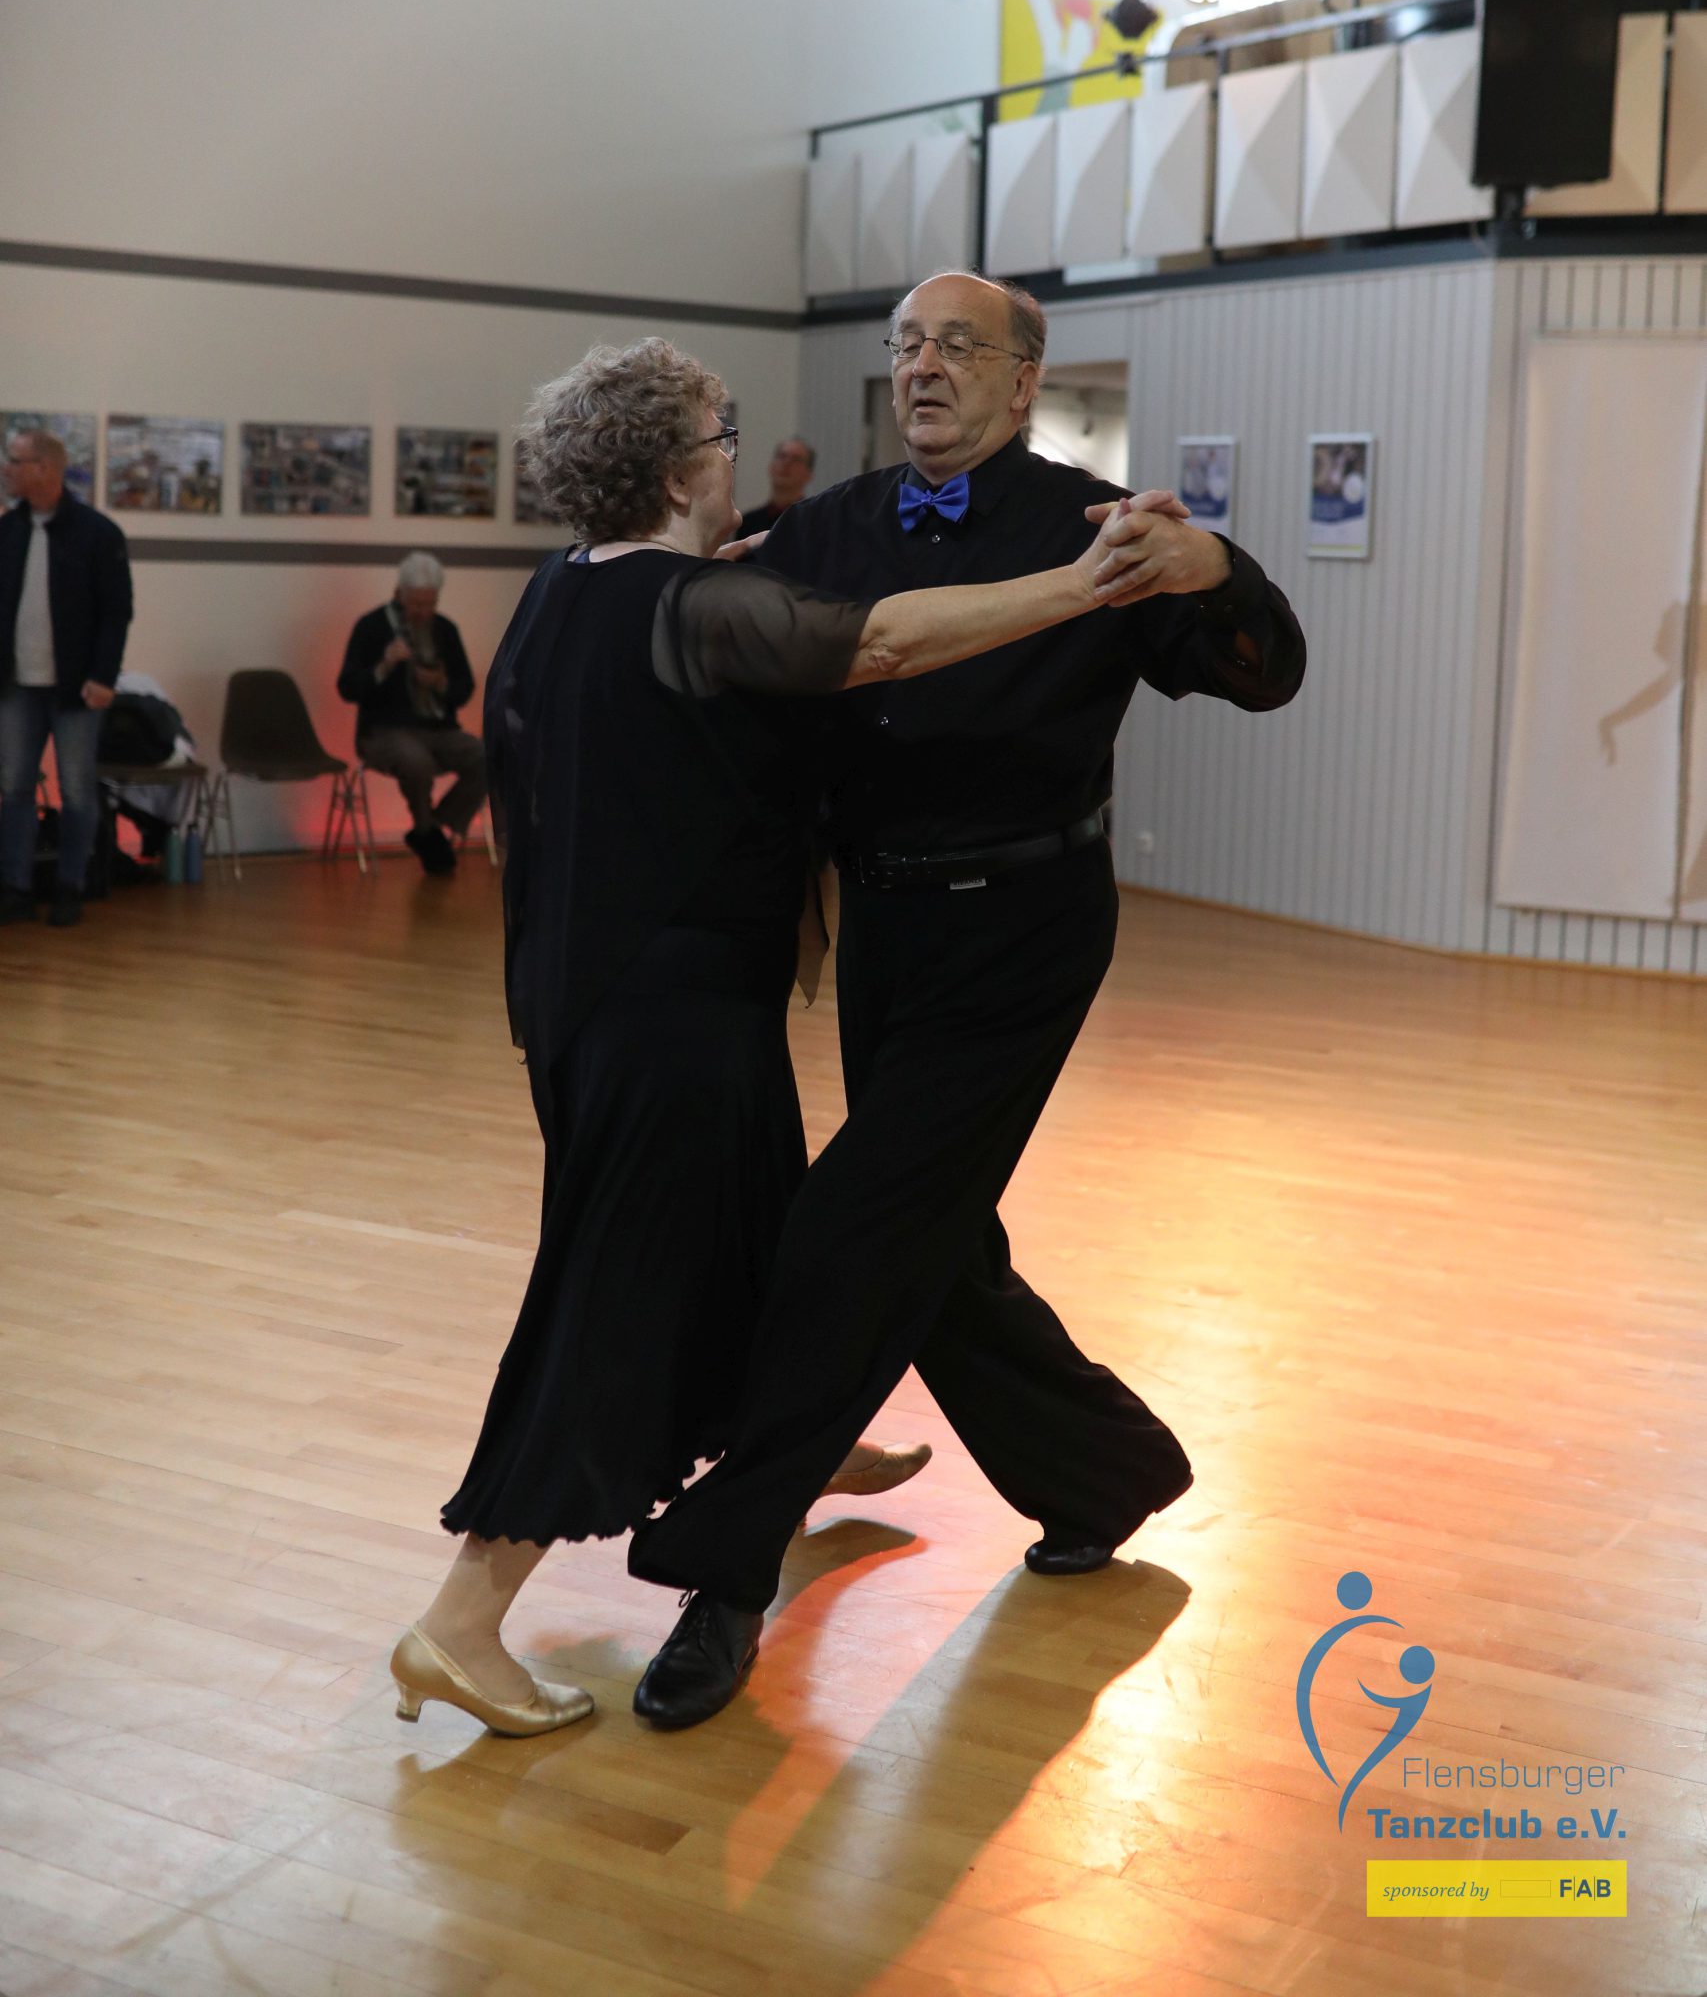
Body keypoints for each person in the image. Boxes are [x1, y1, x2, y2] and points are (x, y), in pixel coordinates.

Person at [390, 337, 1166, 1738]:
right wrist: (1083, 581)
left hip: (600, 1011)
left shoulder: (565, 589)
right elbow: (880, 643)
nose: (733, 456)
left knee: (763, 1240)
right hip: (671, 1026)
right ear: (677, 468)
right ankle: (460, 1622)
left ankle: (801, 1445)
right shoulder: (693, 607)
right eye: (721, 434)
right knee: (609, 1311)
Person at [626, 271, 1306, 1730]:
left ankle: (727, 1567)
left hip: (1024, 931)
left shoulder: (1096, 528)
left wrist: (1214, 569)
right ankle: (1105, 1472)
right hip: (880, 925)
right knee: (924, 1233)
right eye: (908, 346)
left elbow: (1265, 676)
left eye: (958, 346)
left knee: (849, 1223)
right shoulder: (832, 525)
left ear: (1021, 379)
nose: (925, 367)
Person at [0, 427, 133, 928]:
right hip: (17, 684)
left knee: (76, 789)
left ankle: (70, 886)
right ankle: (16, 888)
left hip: (76, 686)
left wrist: (104, 676)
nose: (6, 469)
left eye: (15, 460)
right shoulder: (7, 532)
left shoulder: (97, 533)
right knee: (14, 787)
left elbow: (116, 612)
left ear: (45, 469)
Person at [336, 552, 487, 875]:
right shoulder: (372, 627)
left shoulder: (445, 629)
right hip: (383, 730)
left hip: (439, 728)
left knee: (488, 757)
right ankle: (426, 831)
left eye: (430, 603)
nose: (423, 611)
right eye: (416, 603)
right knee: (416, 761)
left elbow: (464, 688)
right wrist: (384, 665)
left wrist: (440, 683)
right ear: (399, 594)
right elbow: (348, 688)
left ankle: (432, 827)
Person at [737, 433, 814, 539]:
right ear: (771, 466)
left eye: (796, 459)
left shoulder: (814, 522)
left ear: (808, 475)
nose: (786, 463)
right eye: (782, 456)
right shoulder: (748, 522)